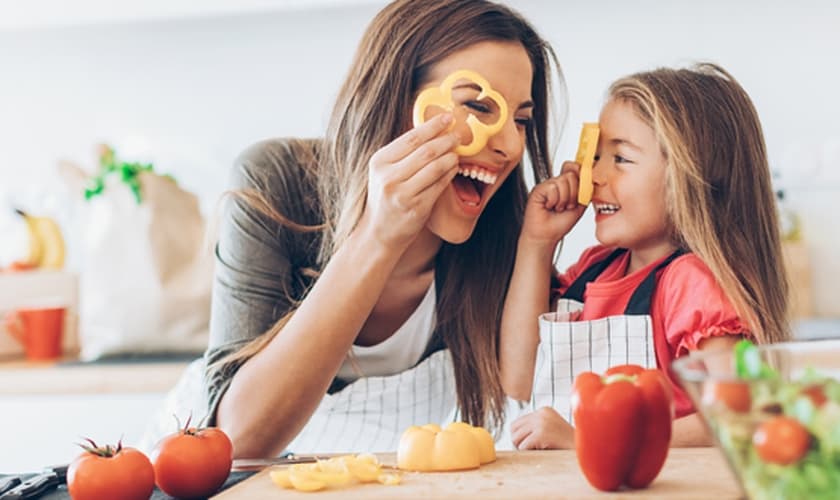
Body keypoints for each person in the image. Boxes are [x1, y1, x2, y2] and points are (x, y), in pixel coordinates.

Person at [203, 0, 565, 458]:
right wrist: (378, 235)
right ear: (394, 99)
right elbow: (237, 441)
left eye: (522, 121)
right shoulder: (275, 182)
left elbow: (528, 393)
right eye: (478, 106)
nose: (511, 147)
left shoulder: (507, 233)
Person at [499, 63, 791, 450]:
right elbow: (520, 380)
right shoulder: (594, 270)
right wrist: (536, 243)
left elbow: (738, 415)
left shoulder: (691, 283)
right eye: (596, 157)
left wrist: (591, 440)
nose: (594, 176)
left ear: (688, 178)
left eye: (620, 159)